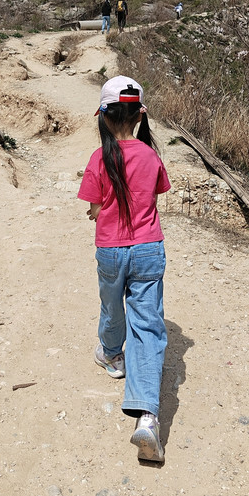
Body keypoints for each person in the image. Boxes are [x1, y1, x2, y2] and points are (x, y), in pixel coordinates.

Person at [78, 76, 171, 462]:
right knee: (147, 325)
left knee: (112, 305)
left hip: (112, 250)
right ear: (139, 115)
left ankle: (111, 353)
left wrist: (98, 211)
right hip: (148, 248)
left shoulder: (99, 158)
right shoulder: (151, 156)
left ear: (102, 115)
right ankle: (147, 417)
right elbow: (153, 192)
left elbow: (95, 206)